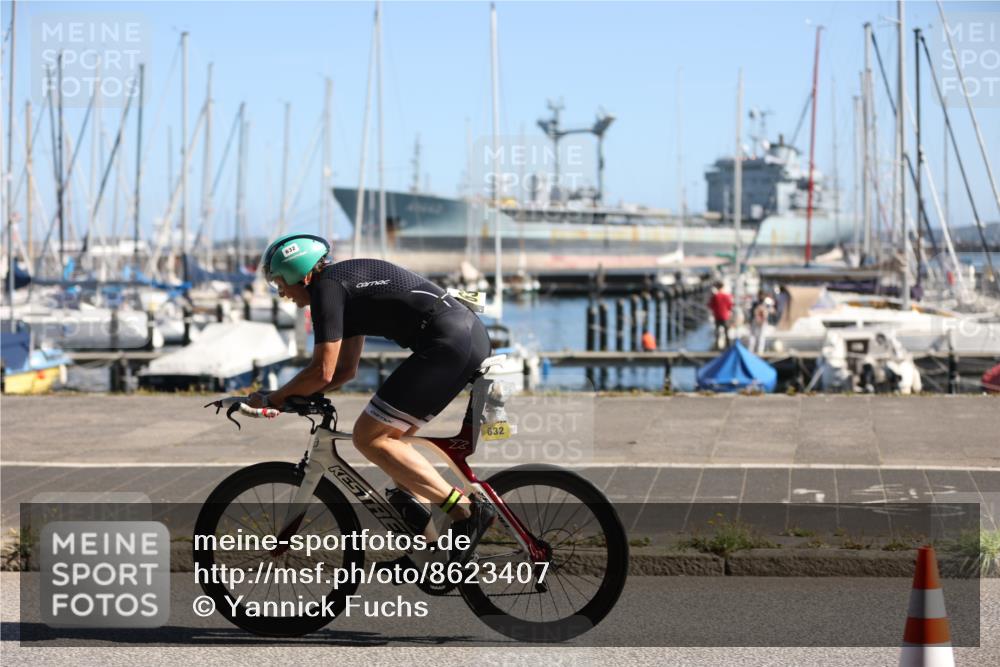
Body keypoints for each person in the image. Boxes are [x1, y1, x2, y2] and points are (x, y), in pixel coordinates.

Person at [248, 233, 496, 563]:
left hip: (449, 343)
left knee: (369, 438)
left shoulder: (327, 290)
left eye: (280, 281)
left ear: (303, 274)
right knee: (393, 449)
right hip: (458, 337)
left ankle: (466, 512)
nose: (281, 292)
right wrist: (291, 396)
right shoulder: (339, 285)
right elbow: (344, 371)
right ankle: (428, 553)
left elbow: (321, 372)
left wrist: (275, 398)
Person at [707, 281, 734, 349]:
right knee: (726, 332)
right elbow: (730, 306)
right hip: (725, 316)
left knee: (717, 332)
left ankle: (717, 346)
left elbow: (710, 305)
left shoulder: (715, 296)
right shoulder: (726, 296)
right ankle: (728, 346)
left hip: (717, 316)